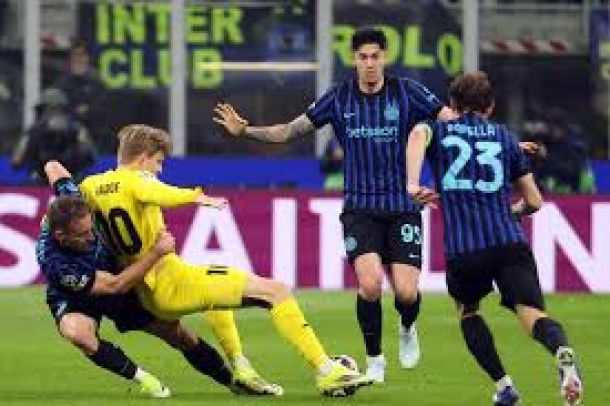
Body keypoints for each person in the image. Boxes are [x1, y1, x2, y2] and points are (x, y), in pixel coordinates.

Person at [213, 27, 456, 382]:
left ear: (384, 58)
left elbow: (453, 121)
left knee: (406, 292)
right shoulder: (338, 98)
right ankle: (374, 360)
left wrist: (499, 141)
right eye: (363, 57)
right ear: (354, 59)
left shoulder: (408, 92)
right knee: (370, 285)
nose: (370, 63)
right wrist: (245, 131)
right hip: (359, 207)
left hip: (403, 206)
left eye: (375, 56)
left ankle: (407, 326)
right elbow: (288, 131)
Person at [73, 124, 372, 396]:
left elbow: (70, 207)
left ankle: (242, 368)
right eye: (158, 162)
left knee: (216, 293)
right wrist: (196, 197)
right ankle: (326, 371)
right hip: (169, 282)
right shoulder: (138, 181)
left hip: (147, 289)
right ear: (142, 159)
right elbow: (155, 191)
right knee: (276, 291)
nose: (160, 169)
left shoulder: (91, 185)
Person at [405, 71, 583, 406]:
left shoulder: (438, 130)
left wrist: (412, 184)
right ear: (490, 106)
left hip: (465, 248)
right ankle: (561, 350)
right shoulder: (505, 137)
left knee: (468, 311)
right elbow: (534, 201)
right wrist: (510, 213)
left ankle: (504, 387)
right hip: (509, 242)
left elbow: (417, 132)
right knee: (532, 314)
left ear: (452, 103)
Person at [39, 162, 267, 398]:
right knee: (78, 333)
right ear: (61, 236)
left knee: (179, 335)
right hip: (79, 294)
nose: (91, 237)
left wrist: (51, 171)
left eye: (90, 229)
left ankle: (232, 383)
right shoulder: (55, 262)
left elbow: (53, 166)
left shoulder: (72, 201)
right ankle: (145, 380)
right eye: (82, 234)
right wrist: (157, 252)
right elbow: (115, 286)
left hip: (115, 276)